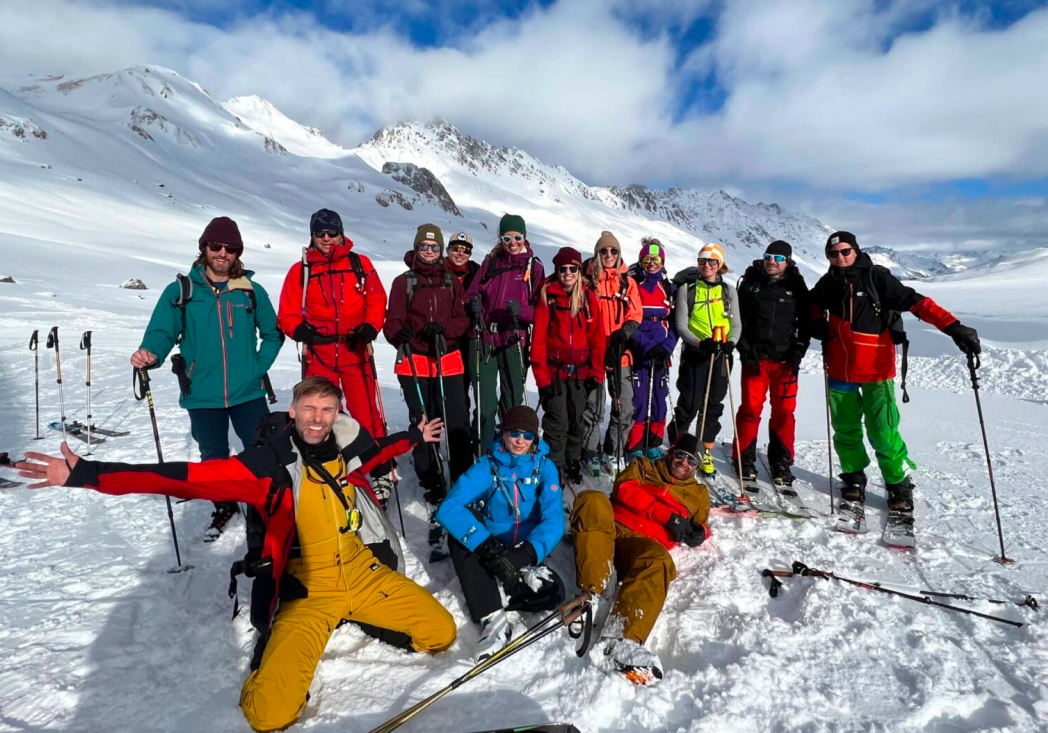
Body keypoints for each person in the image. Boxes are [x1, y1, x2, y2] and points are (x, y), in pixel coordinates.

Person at [11, 376, 456, 732]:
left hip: (362, 573)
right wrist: (88, 473)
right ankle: (275, 661)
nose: (318, 418)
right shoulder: (265, 466)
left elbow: (379, 451)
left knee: (441, 632)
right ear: (293, 413)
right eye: (309, 409)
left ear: (337, 412)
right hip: (309, 590)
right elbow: (181, 477)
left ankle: (357, 613)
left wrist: (413, 437)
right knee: (269, 716)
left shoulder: (345, 446)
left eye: (327, 409)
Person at [810, 231, 980, 529]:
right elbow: (809, 309)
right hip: (838, 370)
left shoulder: (877, 277)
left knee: (883, 430)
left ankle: (898, 484)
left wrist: (954, 327)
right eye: (833, 254)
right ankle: (853, 477)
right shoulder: (826, 284)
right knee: (845, 428)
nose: (839, 257)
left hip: (877, 370)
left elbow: (918, 303)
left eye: (844, 251)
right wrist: (815, 326)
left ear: (855, 250)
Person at [130, 216, 282, 540]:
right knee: (213, 456)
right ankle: (224, 503)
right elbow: (161, 331)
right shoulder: (182, 291)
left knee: (264, 450)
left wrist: (256, 367)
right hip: (201, 392)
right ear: (205, 248)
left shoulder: (251, 291)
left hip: (248, 391)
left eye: (231, 248)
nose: (223, 253)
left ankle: (267, 503)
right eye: (217, 246)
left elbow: (272, 334)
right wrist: (151, 354)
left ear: (238, 253)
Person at [570, 433, 710, 685]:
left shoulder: (698, 494)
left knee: (660, 560)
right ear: (671, 453)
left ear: (697, 466)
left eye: (691, 460)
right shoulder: (644, 466)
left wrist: (701, 533)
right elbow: (623, 489)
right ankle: (596, 589)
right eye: (680, 455)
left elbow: (701, 525)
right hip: (610, 527)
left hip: (641, 546)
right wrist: (667, 516)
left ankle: (618, 643)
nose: (683, 463)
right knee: (591, 499)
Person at [277, 209, 395, 505]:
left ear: (341, 234)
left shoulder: (359, 263)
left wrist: (371, 325)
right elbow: (287, 312)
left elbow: (377, 299)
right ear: (313, 235)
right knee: (321, 414)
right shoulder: (301, 270)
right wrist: (299, 330)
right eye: (320, 233)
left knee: (368, 412)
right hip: (320, 354)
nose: (327, 239)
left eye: (332, 233)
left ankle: (379, 468)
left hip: (356, 349)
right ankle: (328, 467)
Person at [435, 405, 565, 662]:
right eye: (514, 433)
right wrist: (484, 545)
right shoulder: (487, 466)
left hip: (524, 555)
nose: (520, 440)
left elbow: (554, 520)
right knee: (459, 532)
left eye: (528, 435)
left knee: (556, 593)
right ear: (503, 433)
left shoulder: (544, 468)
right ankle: (492, 618)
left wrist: (527, 553)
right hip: (490, 547)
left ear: (534, 439)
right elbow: (448, 508)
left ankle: (495, 588)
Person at [384, 224, 471, 559]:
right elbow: (391, 320)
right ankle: (433, 486)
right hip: (415, 361)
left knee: (457, 421)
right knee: (424, 423)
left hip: (447, 358)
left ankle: (462, 483)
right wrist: (399, 334)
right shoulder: (403, 282)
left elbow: (462, 320)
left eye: (435, 248)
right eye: (425, 247)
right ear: (417, 248)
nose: (431, 253)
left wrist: (445, 328)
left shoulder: (451, 281)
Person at [732, 240, 811, 484]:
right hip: (756, 359)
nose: (771, 261)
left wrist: (799, 350)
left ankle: (781, 460)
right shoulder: (751, 282)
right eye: (768, 256)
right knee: (751, 410)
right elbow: (738, 319)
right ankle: (743, 457)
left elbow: (805, 322)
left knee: (784, 412)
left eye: (777, 258)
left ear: (787, 261)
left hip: (785, 362)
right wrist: (745, 350)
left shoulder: (796, 285)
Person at [465, 214, 545, 446]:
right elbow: (471, 294)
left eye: (517, 237)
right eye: (507, 237)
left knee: (512, 402)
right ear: (500, 238)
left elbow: (541, 312)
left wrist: (522, 312)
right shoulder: (490, 263)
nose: (513, 242)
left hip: (514, 339)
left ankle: (509, 451)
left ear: (525, 237)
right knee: (486, 405)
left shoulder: (534, 268)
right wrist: (474, 305)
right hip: (485, 338)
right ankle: (482, 453)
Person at [531, 247, 606, 484]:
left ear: (579, 270)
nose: (568, 273)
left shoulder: (587, 297)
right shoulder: (548, 296)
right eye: (562, 269)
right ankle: (555, 467)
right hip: (554, 373)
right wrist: (542, 379)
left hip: (581, 373)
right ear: (557, 270)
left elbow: (597, 338)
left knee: (576, 420)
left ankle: (572, 461)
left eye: (573, 268)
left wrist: (596, 372)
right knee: (556, 422)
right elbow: (539, 341)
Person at [668, 243, 741, 476]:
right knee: (689, 403)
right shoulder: (688, 289)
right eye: (702, 261)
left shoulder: (729, 291)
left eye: (711, 261)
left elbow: (736, 323)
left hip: (721, 356)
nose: (706, 265)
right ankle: (678, 445)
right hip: (695, 354)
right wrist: (700, 342)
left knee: (713, 406)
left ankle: (704, 450)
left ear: (720, 264)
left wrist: (732, 342)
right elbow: (681, 324)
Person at [581, 231, 642, 477]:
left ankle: (613, 450)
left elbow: (636, 313)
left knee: (624, 406)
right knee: (593, 407)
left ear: (619, 254)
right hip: (594, 352)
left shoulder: (627, 282)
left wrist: (624, 334)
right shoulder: (586, 282)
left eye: (613, 251)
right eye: (603, 251)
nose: (608, 255)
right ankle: (590, 452)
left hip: (620, 353)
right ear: (597, 254)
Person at [626, 238, 677, 461]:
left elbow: (676, 322)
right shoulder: (633, 284)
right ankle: (635, 443)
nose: (652, 263)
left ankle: (654, 443)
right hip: (639, 352)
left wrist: (666, 346)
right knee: (638, 399)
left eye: (656, 259)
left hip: (662, 353)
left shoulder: (668, 287)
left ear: (662, 261)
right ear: (641, 260)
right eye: (647, 259)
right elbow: (627, 320)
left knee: (659, 397)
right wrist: (647, 346)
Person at [447, 231, 483, 453]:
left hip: (471, 340)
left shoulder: (477, 273)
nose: (460, 253)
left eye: (465, 250)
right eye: (456, 248)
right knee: (456, 395)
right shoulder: (438, 272)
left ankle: (469, 436)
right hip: (449, 341)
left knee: (471, 389)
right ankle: (457, 437)